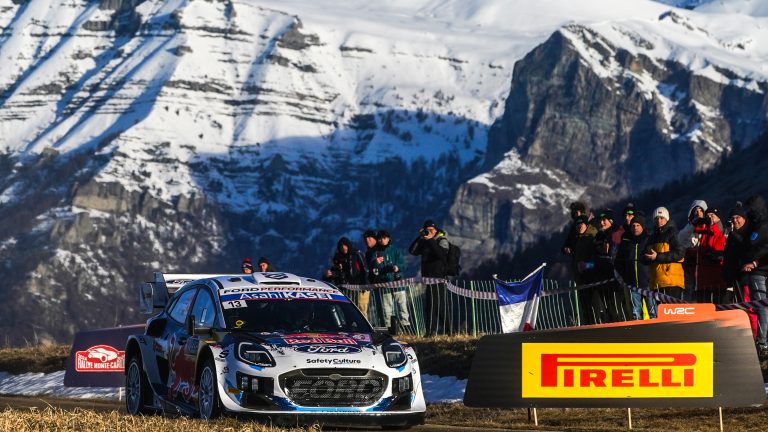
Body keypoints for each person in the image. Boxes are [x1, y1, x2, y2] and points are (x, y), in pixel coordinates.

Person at [409, 219, 450, 335]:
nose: (429, 232)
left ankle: (449, 330)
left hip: (439, 278)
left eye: (431, 230)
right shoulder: (424, 241)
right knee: (429, 306)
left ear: (436, 230)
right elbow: (412, 251)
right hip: (428, 279)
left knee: (439, 307)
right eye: (427, 230)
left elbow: (441, 255)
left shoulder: (442, 240)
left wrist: (431, 240)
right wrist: (420, 237)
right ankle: (430, 332)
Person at [743, 195, 768, 355]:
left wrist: (755, 262)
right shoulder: (757, 224)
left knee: (761, 306)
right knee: (760, 306)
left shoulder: (761, 226)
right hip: (758, 268)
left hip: (759, 270)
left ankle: (762, 342)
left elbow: (751, 243)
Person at [614, 213, 652, 319]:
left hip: (648, 283)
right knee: (636, 314)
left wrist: (650, 276)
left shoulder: (649, 240)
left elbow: (654, 260)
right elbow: (618, 261)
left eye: (638, 225)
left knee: (653, 311)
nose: (635, 228)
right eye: (633, 225)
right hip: (632, 284)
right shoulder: (626, 242)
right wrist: (626, 276)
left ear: (642, 226)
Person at [370, 230, 410, 331]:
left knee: (402, 306)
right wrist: (376, 263)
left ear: (388, 239)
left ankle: (406, 327)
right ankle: (389, 329)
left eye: (384, 238)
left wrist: (397, 267)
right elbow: (372, 268)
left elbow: (403, 264)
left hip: (397, 282)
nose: (382, 240)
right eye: (380, 238)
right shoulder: (375, 253)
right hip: (385, 284)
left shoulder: (395, 250)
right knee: (387, 309)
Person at [644, 206, 685, 300]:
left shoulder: (673, 233)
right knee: (660, 309)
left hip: (671, 282)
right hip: (656, 282)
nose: (659, 221)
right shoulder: (652, 236)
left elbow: (680, 253)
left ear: (667, 219)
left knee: (671, 308)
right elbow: (644, 255)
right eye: (656, 218)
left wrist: (657, 256)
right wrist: (646, 258)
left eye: (661, 218)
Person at [688, 208, 727, 303]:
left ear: (719, 218)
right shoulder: (701, 234)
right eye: (708, 216)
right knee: (703, 309)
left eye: (712, 215)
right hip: (702, 282)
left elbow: (719, 249)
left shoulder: (723, 232)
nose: (710, 218)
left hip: (718, 281)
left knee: (719, 308)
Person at [323, 237, 369, 315]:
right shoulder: (338, 258)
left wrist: (365, 285)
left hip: (360, 288)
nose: (343, 248)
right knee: (348, 312)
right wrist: (328, 276)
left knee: (361, 311)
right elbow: (335, 274)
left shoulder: (356, 254)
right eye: (341, 246)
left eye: (345, 245)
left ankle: (362, 323)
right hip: (345, 290)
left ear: (348, 245)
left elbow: (365, 269)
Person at [678, 200, 708, 301]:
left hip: (704, 267)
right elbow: (680, 239)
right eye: (696, 211)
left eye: (701, 211)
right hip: (689, 268)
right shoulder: (689, 229)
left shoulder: (710, 228)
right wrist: (693, 225)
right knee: (688, 292)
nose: (698, 213)